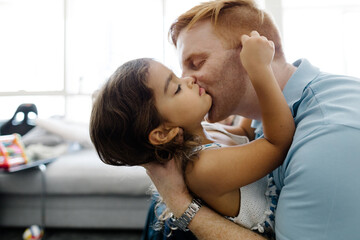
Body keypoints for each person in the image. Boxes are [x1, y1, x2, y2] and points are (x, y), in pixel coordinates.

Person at [143, 0, 360, 239]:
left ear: (249, 52)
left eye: (197, 64)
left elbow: (275, 141)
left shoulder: (327, 143)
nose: (189, 80)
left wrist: (179, 201)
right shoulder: (270, 107)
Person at [90, 31, 294, 238]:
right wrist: (259, 70)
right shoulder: (204, 167)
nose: (188, 80)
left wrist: (241, 70)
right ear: (162, 133)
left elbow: (246, 133)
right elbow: (277, 143)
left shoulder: (206, 134)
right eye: (176, 88)